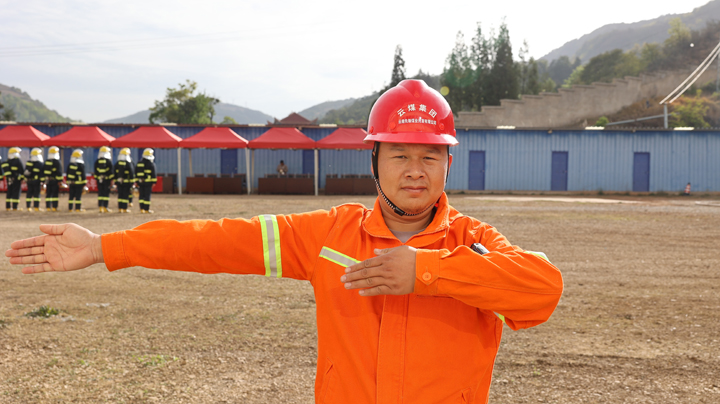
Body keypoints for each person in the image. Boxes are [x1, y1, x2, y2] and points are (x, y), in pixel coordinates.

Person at [5, 80, 563, 403]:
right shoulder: (330, 236)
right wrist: (106, 247)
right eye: (399, 154)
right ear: (374, 160)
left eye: (429, 156)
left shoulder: (475, 243)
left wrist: (427, 272)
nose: (414, 170)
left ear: (447, 163)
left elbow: (542, 291)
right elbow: (217, 241)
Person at [135, 148, 156, 214]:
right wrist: (154, 182)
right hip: (148, 183)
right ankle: (146, 209)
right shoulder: (151, 163)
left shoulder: (139, 163)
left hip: (140, 182)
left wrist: (137, 181)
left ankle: (141, 209)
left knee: (141, 195)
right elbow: (153, 174)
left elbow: (136, 173)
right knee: (147, 196)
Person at [3, 147, 25, 211]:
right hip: (16, 180)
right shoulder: (17, 160)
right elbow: (21, 171)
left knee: (9, 192)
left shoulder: (7, 161)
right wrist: (22, 178)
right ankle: (15, 207)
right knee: (16, 193)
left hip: (9, 179)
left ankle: (8, 207)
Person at [42, 146, 63, 212]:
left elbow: (43, 171)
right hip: (55, 181)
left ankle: (48, 207)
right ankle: (54, 207)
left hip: (48, 181)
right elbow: (59, 172)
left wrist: (44, 181)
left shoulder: (47, 161)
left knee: (48, 194)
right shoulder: (57, 162)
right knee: (55, 195)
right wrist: (60, 181)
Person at [94, 146, 115, 213]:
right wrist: (111, 180)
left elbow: (95, 172)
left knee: (100, 193)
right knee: (106, 194)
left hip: (99, 180)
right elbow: (111, 172)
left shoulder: (97, 161)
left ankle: (100, 207)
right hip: (106, 181)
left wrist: (98, 178)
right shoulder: (108, 161)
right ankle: (105, 207)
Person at [114, 148, 135, 213]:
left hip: (119, 183)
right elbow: (131, 173)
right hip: (126, 183)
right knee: (125, 195)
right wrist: (132, 182)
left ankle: (120, 208)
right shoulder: (128, 163)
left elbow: (115, 173)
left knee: (120, 195)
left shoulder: (117, 163)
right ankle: (124, 208)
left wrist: (116, 181)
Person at [24, 148, 44, 212]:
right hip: (37, 181)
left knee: (29, 194)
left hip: (29, 181)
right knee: (36, 194)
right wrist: (43, 181)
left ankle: (28, 207)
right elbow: (41, 174)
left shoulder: (28, 163)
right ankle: (36, 207)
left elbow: (26, 172)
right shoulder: (40, 164)